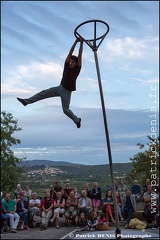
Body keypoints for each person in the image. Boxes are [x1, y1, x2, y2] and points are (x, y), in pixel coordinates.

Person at [17, 38, 84, 128]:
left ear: (76, 64)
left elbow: (80, 55)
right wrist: (75, 42)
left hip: (67, 92)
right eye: (70, 62)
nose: (71, 63)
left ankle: (77, 120)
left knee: (65, 110)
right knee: (43, 93)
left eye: (73, 62)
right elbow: (70, 53)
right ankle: (26, 101)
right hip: (60, 88)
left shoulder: (77, 69)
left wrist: (81, 43)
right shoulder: (66, 66)